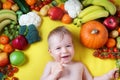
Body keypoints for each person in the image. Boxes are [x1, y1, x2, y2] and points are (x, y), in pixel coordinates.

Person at [41, 26, 119, 80]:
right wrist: (53, 76)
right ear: (51, 52)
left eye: (68, 46)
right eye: (58, 48)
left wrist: (108, 76)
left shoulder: (79, 66)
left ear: (73, 46)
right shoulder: (51, 65)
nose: (65, 51)